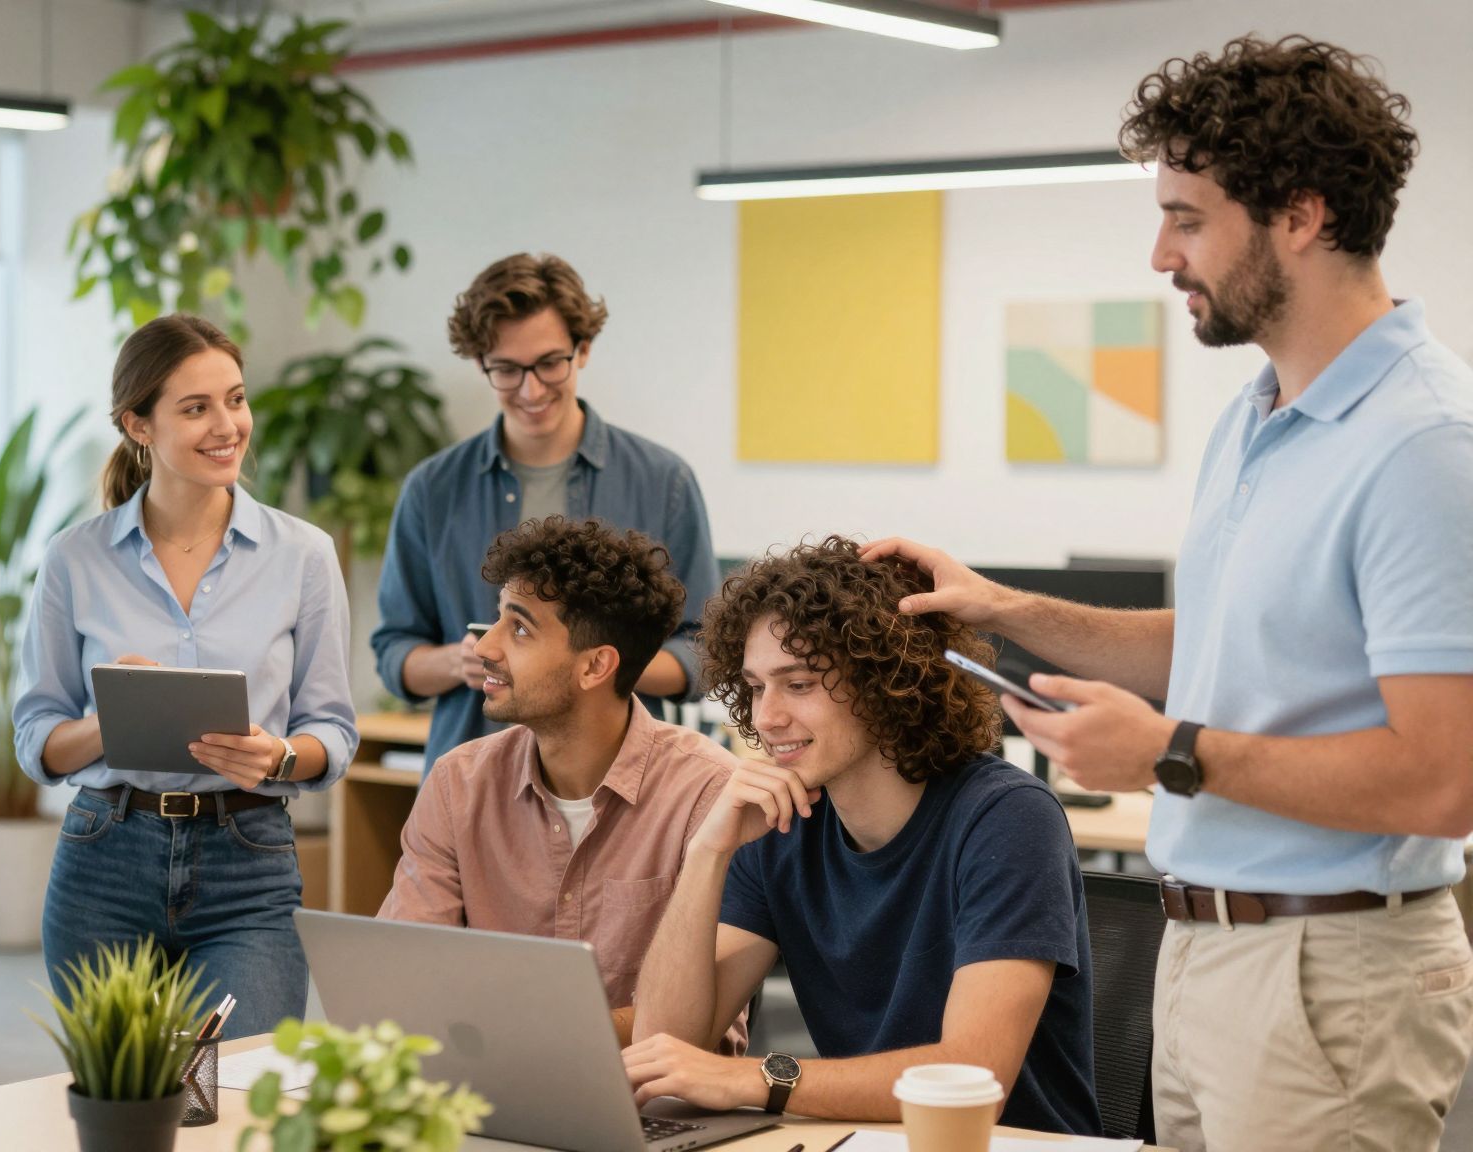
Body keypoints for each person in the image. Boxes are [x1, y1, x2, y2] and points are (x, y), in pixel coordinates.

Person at [865, 35, 1473, 1152]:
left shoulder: (1423, 443)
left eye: (1186, 218)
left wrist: (1166, 756)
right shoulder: (1257, 417)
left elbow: (1444, 778)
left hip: (1324, 974)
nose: (1159, 254)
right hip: (1203, 953)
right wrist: (998, 608)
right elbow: (1223, 647)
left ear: (1297, 214)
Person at [624, 539, 1099, 1134]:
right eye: (754, 686)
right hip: (860, 1138)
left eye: (797, 684)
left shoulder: (1007, 817)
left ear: (886, 684)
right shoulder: (779, 819)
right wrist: (706, 852)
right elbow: (664, 1047)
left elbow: (975, 1075)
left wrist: (755, 1078)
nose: (766, 717)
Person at [13, 313, 358, 1036]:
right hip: (105, 861)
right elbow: (36, 740)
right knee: (125, 1106)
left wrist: (281, 754)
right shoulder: (75, 559)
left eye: (235, 399)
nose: (227, 425)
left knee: (232, 1108)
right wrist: (113, 722)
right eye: (196, 408)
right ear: (139, 426)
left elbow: (332, 728)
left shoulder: (304, 555)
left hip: (249, 861)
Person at [378, 517, 736, 1046]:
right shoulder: (458, 783)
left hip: (656, 1104)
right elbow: (404, 974)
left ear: (595, 667)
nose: (484, 648)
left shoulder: (706, 794)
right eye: (497, 619)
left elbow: (701, 1022)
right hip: (485, 1088)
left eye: (519, 629)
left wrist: (513, 1032)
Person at [372, 254, 718, 771]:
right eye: (507, 370)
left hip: (629, 786)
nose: (531, 390)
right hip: (474, 778)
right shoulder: (432, 489)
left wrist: (596, 665)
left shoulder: (664, 482)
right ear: (480, 364)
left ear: (583, 351)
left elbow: (706, 652)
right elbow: (395, 652)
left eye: (549, 363)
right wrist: (460, 661)